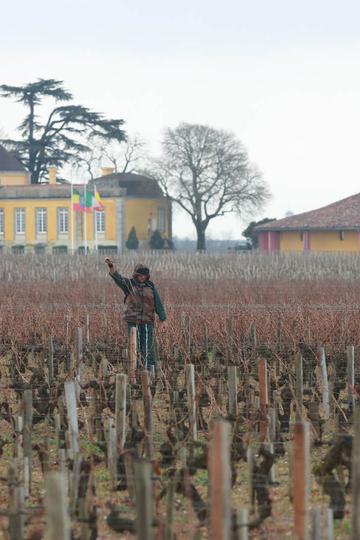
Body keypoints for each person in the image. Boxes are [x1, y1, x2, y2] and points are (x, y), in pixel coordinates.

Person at [105, 257, 166, 371]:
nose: (142, 277)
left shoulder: (151, 286)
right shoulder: (129, 284)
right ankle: (136, 369)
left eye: (144, 275)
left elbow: (158, 303)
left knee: (148, 346)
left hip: (148, 321)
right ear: (136, 275)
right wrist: (111, 267)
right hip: (133, 321)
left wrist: (162, 319)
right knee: (135, 345)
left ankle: (149, 370)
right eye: (140, 275)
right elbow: (118, 279)